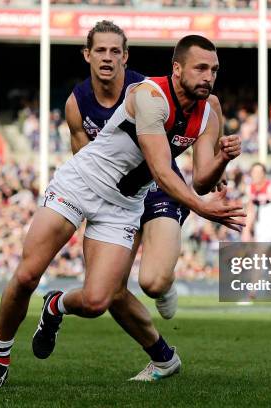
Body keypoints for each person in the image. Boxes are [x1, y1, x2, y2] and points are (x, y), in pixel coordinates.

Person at [0, 34, 244, 387]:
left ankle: (55, 305)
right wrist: (205, 211)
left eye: (214, 70)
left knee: (97, 300)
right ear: (177, 69)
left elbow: (203, 181)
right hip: (81, 184)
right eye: (201, 68)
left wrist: (222, 158)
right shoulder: (149, 96)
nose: (209, 76)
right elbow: (163, 172)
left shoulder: (211, 111)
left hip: (123, 206)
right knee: (27, 275)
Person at [65, 21, 225, 320]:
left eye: (115, 51)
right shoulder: (77, 104)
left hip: (158, 188)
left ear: (125, 57)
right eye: (101, 50)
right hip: (118, 197)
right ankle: (161, 355)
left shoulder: (146, 89)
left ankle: (165, 286)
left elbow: (210, 104)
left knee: (153, 282)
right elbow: (83, 160)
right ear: (87, 55)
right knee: (107, 292)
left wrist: (216, 156)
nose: (108, 58)